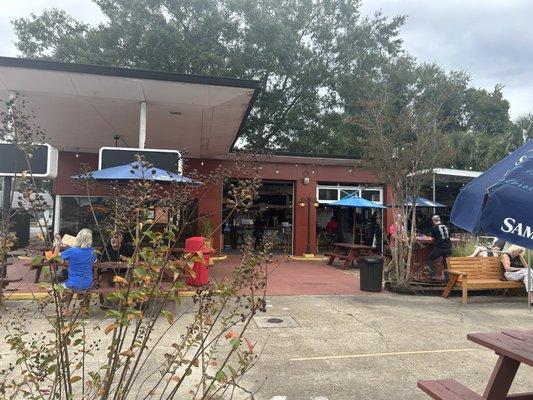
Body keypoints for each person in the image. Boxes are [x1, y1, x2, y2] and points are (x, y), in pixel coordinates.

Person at [53, 229, 96, 314]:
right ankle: (82, 309)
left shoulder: (72, 251)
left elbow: (55, 258)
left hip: (73, 284)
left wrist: (58, 244)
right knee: (70, 287)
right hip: (88, 283)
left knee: (54, 288)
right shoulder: (93, 251)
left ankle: (62, 309)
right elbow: (93, 260)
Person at [427, 215, 453, 280]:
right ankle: (447, 279)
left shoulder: (434, 228)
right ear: (439, 220)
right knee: (445, 263)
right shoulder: (446, 226)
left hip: (440, 247)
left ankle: (432, 275)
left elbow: (433, 239)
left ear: (433, 221)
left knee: (430, 258)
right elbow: (448, 236)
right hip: (449, 248)